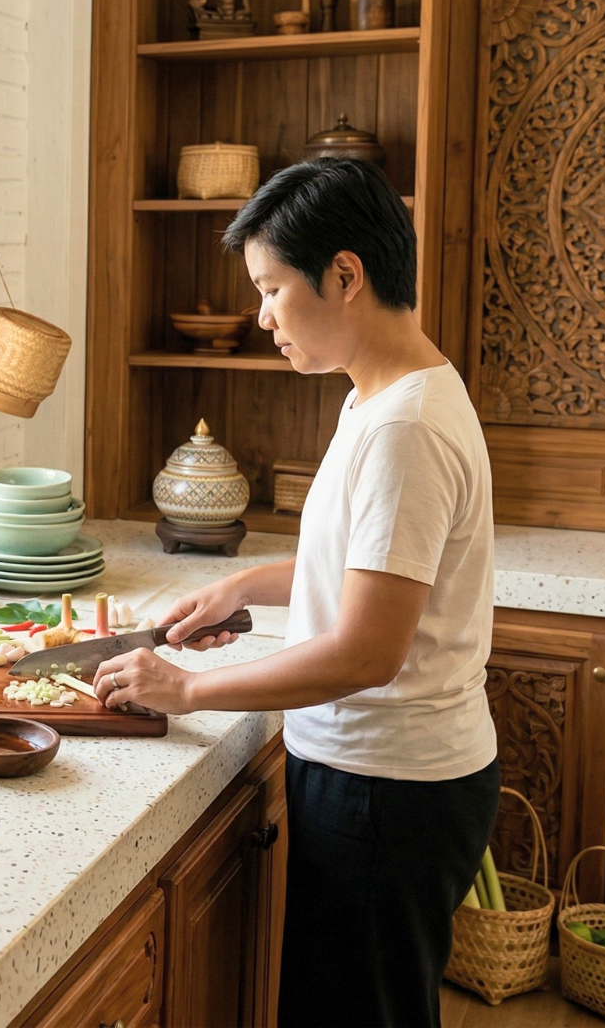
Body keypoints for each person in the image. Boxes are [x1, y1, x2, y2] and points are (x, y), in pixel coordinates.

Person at [93, 158, 500, 1027]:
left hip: (386, 789)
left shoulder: (405, 428)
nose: (263, 317)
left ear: (345, 276)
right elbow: (365, 568)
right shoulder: (384, 397)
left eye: (272, 289)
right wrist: (241, 585)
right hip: (379, 779)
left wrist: (187, 690)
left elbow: (365, 651)